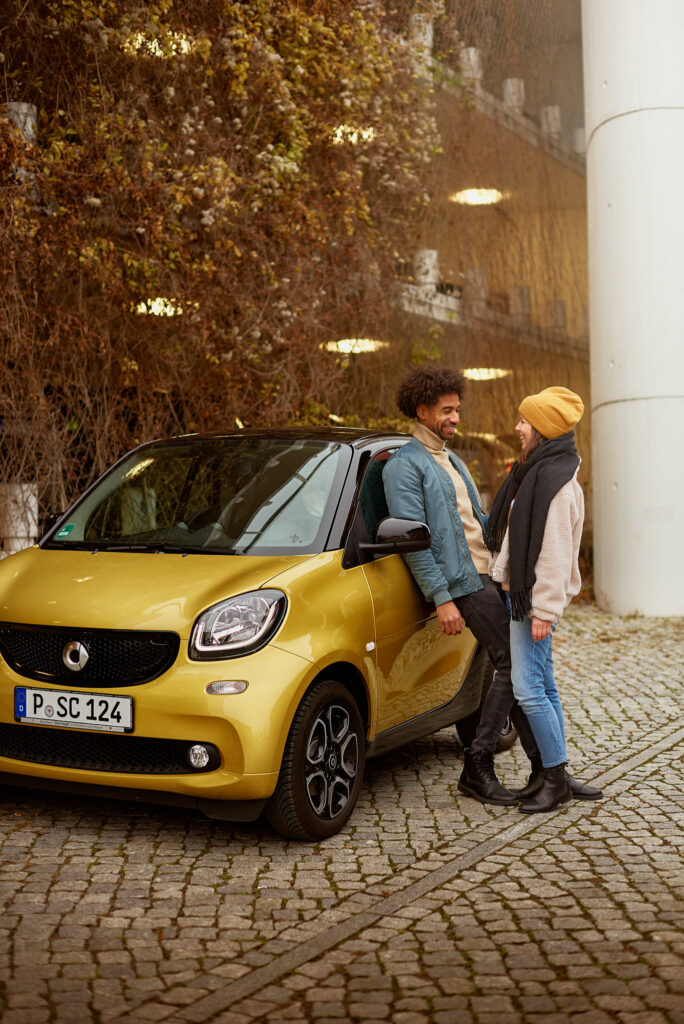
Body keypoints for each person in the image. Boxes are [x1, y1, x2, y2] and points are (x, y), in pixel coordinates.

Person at [382, 365, 540, 806]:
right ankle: (478, 764)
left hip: (487, 575)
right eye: (447, 410)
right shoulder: (404, 466)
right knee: (513, 663)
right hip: (462, 584)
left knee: (520, 664)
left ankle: (548, 770)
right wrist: (442, 598)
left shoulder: (451, 460)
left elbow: (477, 523)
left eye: (457, 409)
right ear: (423, 409)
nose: (455, 418)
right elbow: (413, 540)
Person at [486, 386, 603, 813]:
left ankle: (554, 779)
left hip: (533, 602)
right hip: (529, 599)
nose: (517, 428)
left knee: (527, 687)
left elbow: (555, 551)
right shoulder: (541, 470)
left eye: (524, 421)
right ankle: (557, 774)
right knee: (544, 684)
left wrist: (544, 610)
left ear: (543, 429)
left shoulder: (553, 481)